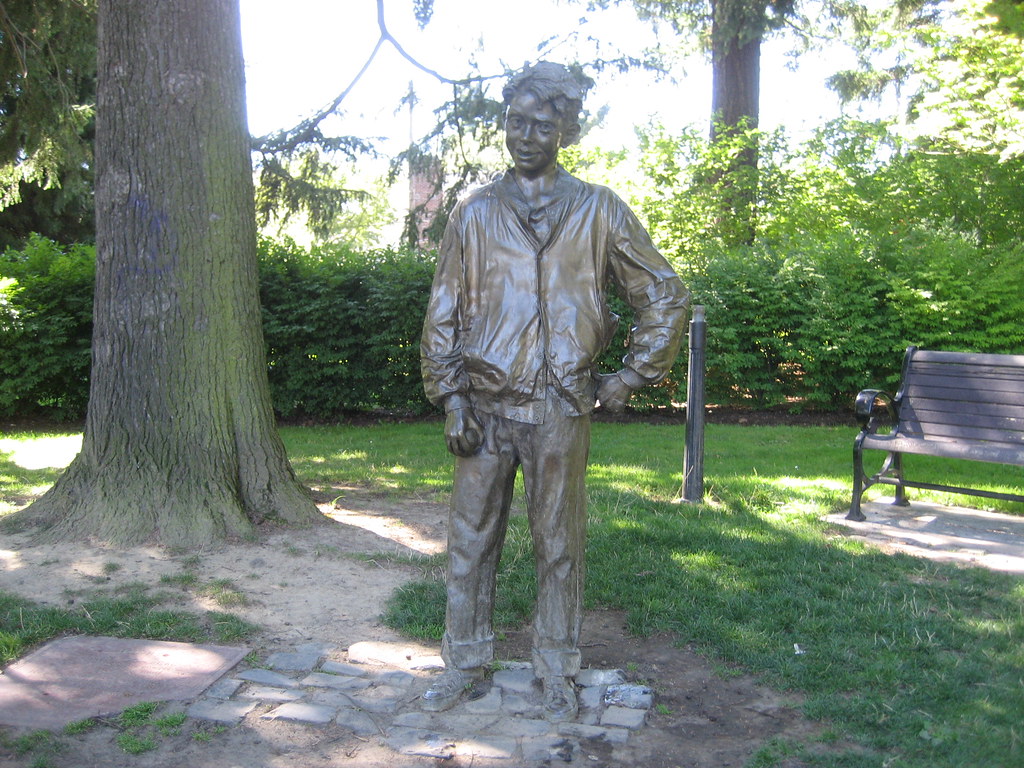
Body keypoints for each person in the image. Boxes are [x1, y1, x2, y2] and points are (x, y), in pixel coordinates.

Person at [419, 61, 688, 721]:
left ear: (566, 129)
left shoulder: (600, 210)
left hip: (561, 407)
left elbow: (664, 294)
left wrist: (630, 375)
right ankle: (464, 663)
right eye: (517, 121)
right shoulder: (475, 212)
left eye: (543, 123)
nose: (526, 135)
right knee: (470, 540)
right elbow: (444, 309)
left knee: (558, 545)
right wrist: (450, 397)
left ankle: (557, 668)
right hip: (483, 405)